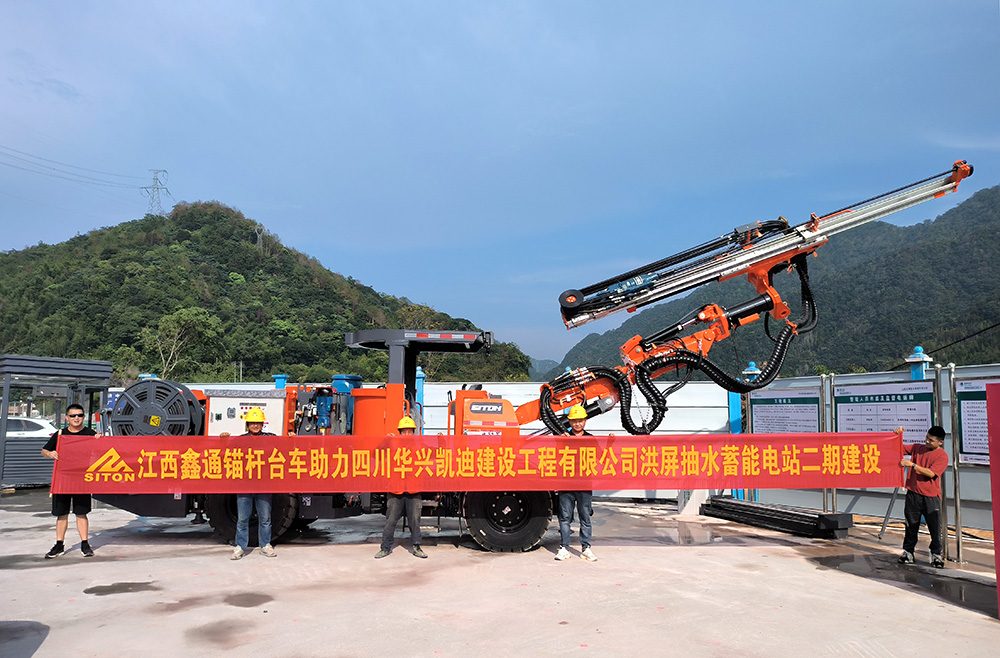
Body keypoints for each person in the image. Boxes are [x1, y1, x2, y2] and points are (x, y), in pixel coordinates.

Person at [41, 403, 103, 558]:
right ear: (67, 418)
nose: (76, 418)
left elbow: (103, 450)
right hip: (62, 480)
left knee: (81, 513)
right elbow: (44, 450)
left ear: (84, 417)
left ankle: (85, 544)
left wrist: (99, 440)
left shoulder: (90, 433)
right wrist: (50, 454)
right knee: (61, 514)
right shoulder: (60, 434)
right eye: (73, 415)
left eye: (80, 415)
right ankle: (59, 545)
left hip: (82, 479)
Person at [221, 407, 278, 560]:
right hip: (244, 485)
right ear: (247, 425)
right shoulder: (240, 440)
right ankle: (240, 547)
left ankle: (265, 545)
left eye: (258, 423)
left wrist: (292, 438)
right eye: (252, 423)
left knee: (265, 519)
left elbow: (286, 446)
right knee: (242, 519)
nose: (255, 425)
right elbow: (226, 451)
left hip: (264, 485)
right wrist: (224, 440)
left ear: (262, 424)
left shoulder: (270, 438)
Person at [375, 416, 427, 559]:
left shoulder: (419, 445)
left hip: (413, 489)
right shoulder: (392, 444)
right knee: (391, 520)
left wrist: (441, 441)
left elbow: (436, 453)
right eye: (404, 431)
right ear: (400, 432)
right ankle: (385, 548)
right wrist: (385, 441)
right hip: (395, 489)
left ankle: (416, 547)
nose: (406, 434)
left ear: (413, 432)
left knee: (415, 520)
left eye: (409, 431)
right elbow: (376, 453)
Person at [898, 425, 949, 568]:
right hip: (913, 494)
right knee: (911, 525)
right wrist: (897, 435)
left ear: (940, 442)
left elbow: (931, 473)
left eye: (931, 440)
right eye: (927, 438)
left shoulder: (942, 456)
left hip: (930, 497)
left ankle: (936, 554)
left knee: (934, 527)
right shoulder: (917, 448)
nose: (927, 441)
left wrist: (913, 465)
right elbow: (899, 448)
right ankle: (908, 552)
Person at [555, 404, 597, 562]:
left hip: (584, 484)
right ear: (569, 422)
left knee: (585, 516)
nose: (577, 423)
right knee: (565, 517)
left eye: (580, 420)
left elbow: (601, 456)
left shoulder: (591, 439)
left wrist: (611, 442)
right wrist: (561, 441)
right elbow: (555, 456)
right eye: (574, 421)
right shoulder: (564, 438)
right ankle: (564, 548)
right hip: (566, 484)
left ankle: (586, 548)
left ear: (585, 421)